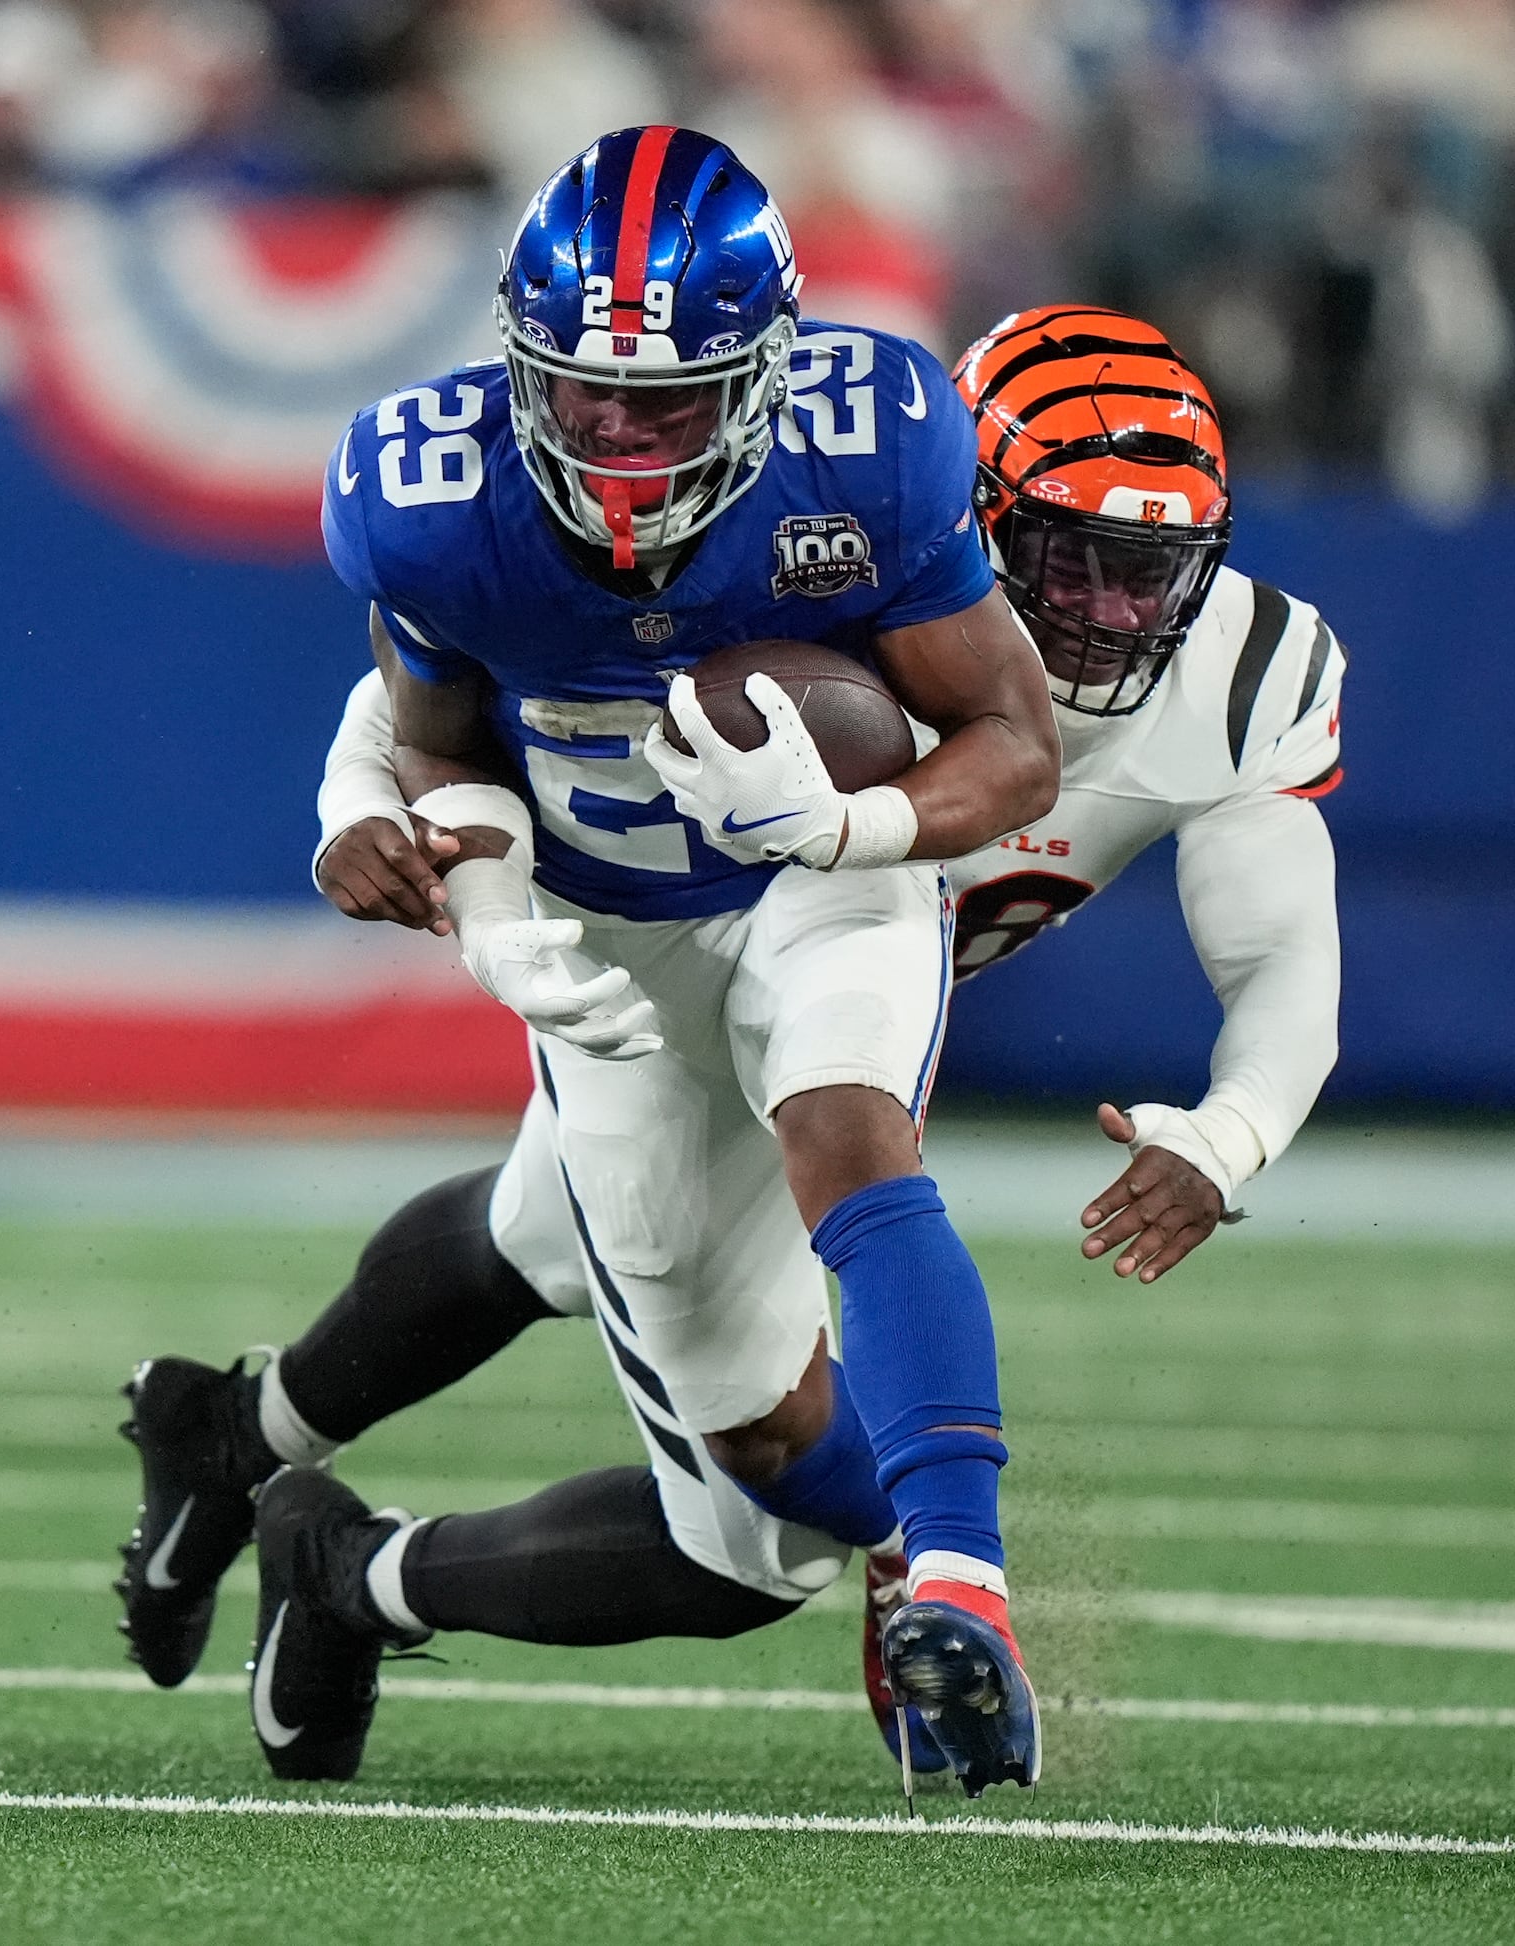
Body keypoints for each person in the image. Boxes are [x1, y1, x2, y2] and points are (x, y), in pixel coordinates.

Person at [116, 300, 1343, 1787]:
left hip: (839, 947)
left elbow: (1281, 943)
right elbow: (433, 696)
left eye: (1147, 568)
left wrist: (1230, 1132)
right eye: (1062, 553)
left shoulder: (1239, 666)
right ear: (965, 502)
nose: (1102, 607)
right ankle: (888, 1539)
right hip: (689, 942)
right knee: (732, 1488)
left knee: (555, 1230)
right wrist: (360, 818)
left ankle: (269, 1473)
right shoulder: (842, 557)